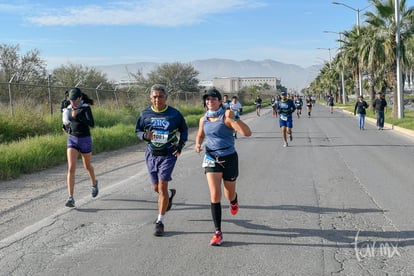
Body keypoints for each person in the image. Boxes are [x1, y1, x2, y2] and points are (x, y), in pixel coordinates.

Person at [194, 88, 251, 246]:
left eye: (213, 99)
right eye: (207, 99)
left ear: (219, 101)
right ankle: (217, 232)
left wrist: (235, 118)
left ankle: (234, 200)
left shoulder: (225, 117)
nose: (210, 102)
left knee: (229, 193)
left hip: (229, 158)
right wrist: (198, 144)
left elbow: (247, 133)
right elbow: (200, 134)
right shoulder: (203, 119)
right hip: (211, 157)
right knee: (214, 194)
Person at [135, 84, 188, 237]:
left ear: (166, 98)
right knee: (157, 188)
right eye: (155, 96)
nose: (157, 99)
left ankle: (160, 221)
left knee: (162, 186)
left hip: (168, 154)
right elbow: (138, 130)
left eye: (160, 96)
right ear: (151, 98)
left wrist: (180, 145)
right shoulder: (145, 114)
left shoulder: (174, 114)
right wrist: (145, 136)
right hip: (151, 154)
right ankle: (170, 195)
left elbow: (184, 130)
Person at [62, 88, 98, 208]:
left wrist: (78, 116)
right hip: (72, 139)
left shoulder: (86, 107)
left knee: (87, 166)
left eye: (74, 100)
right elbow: (67, 123)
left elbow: (91, 123)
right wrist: (65, 127)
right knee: (71, 167)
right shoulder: (68, 108)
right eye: (70, 100)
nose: (72, 102)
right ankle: (70, 198)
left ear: (79, 98)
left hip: (85, 140)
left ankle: (94, 183)